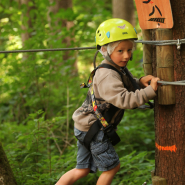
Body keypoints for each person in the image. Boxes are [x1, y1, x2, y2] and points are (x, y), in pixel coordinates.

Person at [56, 18, 160, 185]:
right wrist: (150, 91)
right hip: (93, 129)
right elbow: (124, 99)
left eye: (129, 50)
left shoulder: (115, 69)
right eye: (120, 51)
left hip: (85, 126)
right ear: (105, 50)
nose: (127, 55)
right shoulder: (107, 74)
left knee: (81, 169)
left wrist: (139, 83)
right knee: (111, 167)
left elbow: (121, 86)